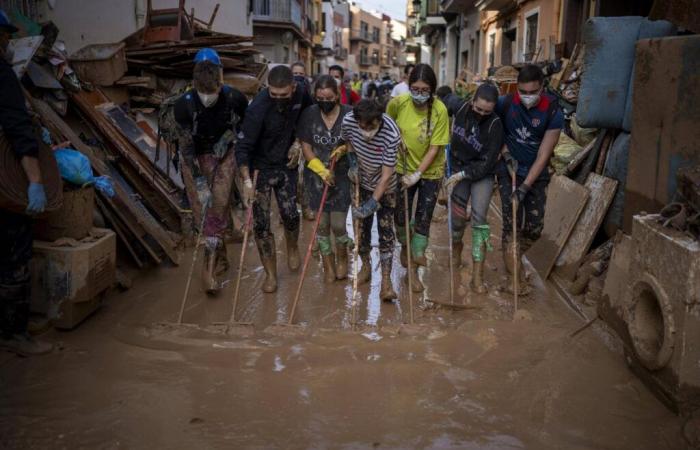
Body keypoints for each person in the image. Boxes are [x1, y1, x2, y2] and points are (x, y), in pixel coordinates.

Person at [174, 48, 248, 294]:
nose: (208, 99)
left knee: (218, 205)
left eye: (213, 94)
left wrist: (229, 139)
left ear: (220, 82)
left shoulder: (235, 98)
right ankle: (220, 257)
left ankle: (208, 271)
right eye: (203, 94)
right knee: (203, 212)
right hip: (196, 157)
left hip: (225, 154)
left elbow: (243, 129)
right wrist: (198, 180)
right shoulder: (183, 105)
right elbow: (185, 146)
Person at [0, 10, 53, 355]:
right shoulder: (2, 74)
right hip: (5, 183)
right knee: (14, 250)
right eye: (5, 35)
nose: (8, 42)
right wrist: (35, 180)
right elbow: (18, 129)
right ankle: (13, 333)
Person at [235, 65, 313, 293]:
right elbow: (243, 147)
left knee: (290, 214)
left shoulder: (302, 92)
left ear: (293, 87)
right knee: (261, 225)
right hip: (259, 167)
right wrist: (246, 181)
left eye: (284, 95)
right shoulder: (257, 108)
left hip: (285, 162)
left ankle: (292, 246)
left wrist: (299, 142)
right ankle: (270, 274)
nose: (279, 99)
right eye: (273, 94)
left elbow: (309, 116)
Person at [495, 64, 563, 294]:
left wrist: (524, 187)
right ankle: (514, 278)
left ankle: (514, 258)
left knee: (534, 229)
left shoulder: (553, 111)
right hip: (508, 171)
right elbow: (497, 133)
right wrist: (505, 154)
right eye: (522, 92)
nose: (526, 97)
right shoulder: (506, 103)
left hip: (536, 174)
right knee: (511, 225)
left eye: (532, 92)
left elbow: (544, 154)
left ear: (542, 88)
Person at [386, 63, 450, 292]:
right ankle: (405, 244)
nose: (419, 93)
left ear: (432, 90)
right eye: (415, 88)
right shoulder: (398, 103)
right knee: (400, 218)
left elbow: (435, 148)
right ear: (408, 85)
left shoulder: (440, 110)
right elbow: (387, 126)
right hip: (401, 169)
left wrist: (418, 174)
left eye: (424, 90)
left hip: (430, 173)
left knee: (423, 220)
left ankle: (412, 272)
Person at [443, 83, 503, 294]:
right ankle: (456, 249)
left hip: (481, 174)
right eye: (478, 110)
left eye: (487, 111)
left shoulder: (495, 125)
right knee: (457, 220)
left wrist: (464, 175)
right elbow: (443, 96)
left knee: (479, 221)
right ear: (471, 102)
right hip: (457, 164)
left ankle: (478, 275)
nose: (482, 114)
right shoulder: (458, 107)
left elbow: (488, 163)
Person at [341, 99, 401, 301]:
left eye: (372, 126)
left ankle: (386, 281)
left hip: (386, 186)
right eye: (362, 126)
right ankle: (365, 266)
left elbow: (386, 176)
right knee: (360, 229)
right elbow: (348, 141)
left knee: (386, 232)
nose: (366, 131)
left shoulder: (391, 132)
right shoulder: (349, 121)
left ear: (380, 119)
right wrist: (353, 163)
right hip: (361, 181)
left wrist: (372, 203)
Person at [297, 75, 353, 282]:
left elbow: (355, 141)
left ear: (337, 96)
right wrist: (321, 171)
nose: (324, 101)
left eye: (329, 97)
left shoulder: (349, 114)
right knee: (321, 225)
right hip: (317, 176)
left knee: (338, 224)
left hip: (342, 175)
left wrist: (343, 149)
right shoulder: (309, 115)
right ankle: (327, 263)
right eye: (320, 97)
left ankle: (342, 258)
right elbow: (306, 147)